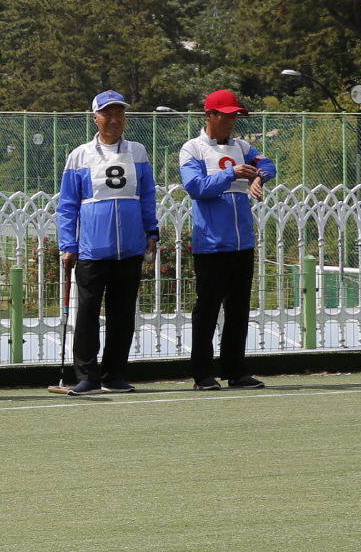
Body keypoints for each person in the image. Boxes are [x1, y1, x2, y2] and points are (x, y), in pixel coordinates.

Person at [56, 90, 159, 395]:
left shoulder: (138, 152)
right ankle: (87, 376)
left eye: (120, 114)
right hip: (91, 249)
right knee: (87, 314)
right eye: (108, 114)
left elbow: (147, 195)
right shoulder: (79, 155)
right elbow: (68, 205)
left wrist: (151, 232)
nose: (114, 120)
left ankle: (114, 375)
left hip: (129, 248)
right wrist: (68, 244)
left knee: (123, 314)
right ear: (95, 118)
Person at [180, 90, 277, 390]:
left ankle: (236, 372)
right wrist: (231, 174)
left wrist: (259, 177)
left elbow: (268, 164)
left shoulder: (243, 147)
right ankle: (202, 375)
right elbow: (195, 187)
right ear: (210, 116)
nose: (232, 121)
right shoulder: (192, 150)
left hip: (242, 244)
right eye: (227, 115)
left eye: (236, 115)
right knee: (207, 311)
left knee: (238, 310)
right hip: (211, 245)